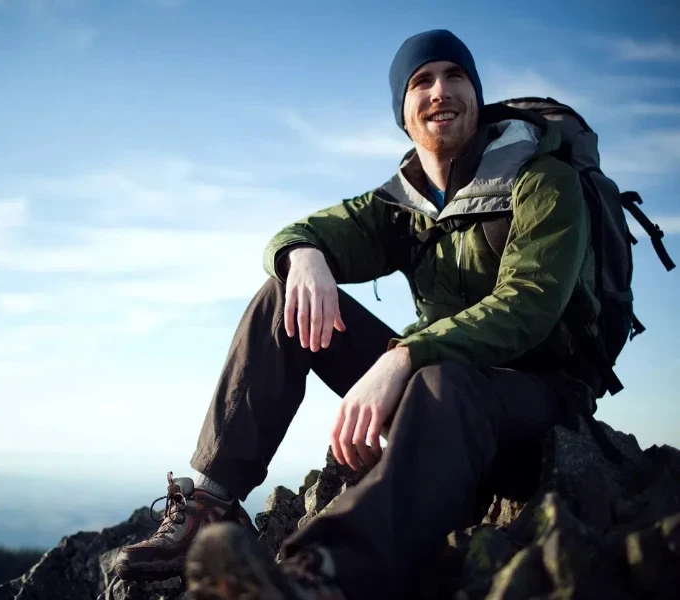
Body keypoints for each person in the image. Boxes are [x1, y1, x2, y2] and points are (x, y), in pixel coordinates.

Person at [115, 29, 601, 600]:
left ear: (476, 92)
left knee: (444, 382)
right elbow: (300, 232)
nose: (440, 91)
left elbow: (529, 304)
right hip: (436, 387)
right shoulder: (403, 204)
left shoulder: (544, 180)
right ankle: (212, 502)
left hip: (539, 400)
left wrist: (405, 358)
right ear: (403, 109)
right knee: (282, 298)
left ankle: (320, 575)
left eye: (456, 77)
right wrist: (304, 257)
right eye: (422, 81)